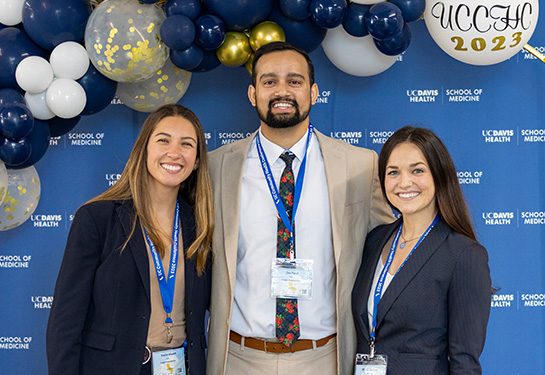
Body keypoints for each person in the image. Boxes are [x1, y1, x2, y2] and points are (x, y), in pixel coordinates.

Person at [206, 41, 394, 375]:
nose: (282, 90)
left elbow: (391, 251)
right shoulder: (216, 167)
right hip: (239, 358)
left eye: (294, 81)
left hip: (324, 358)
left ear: (314, 92)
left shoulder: (359, 165)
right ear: (253, 94)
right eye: (269, 81)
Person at [46, 104, 214, 375]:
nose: (174, 152)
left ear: (196, 161)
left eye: (187, 144)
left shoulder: (201, 226)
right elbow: (65, 323)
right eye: (163, 140)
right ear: (144, 149)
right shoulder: (98, 218)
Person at [352, 126, 491, 374]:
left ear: (439, 175)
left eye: (417, 170)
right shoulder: (375, 240)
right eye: (393, 172)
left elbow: (465, 361)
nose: (404, 182)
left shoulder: (463, 254)